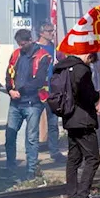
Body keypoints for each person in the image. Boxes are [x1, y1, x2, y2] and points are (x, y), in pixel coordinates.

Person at [3, 29, 52, 179]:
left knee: (31, 138)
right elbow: (8, 74)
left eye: (23, 44)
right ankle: (10, 169)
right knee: (10, 136)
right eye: (19, 44)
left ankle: (31, 170)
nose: (21, 46)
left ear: (30, 40)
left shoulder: (43, 56)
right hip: (15, 103)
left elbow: (38, 80)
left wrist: (20, 91)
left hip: (33, 102)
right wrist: (10, 89)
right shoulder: (16, 54)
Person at [53, 50, 100, 198]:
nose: (90, 63)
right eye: (91, 60)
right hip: (83, 119)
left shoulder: (62, 67)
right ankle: (83, 195)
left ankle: (71, 194)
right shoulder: (83, 70)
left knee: (74, 158)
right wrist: (97, 95)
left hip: (69, 117)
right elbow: (87, 95)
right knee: (93, 158)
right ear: (89, 56)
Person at [35, 22, 65, 162]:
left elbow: (64, 62)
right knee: (33, 123)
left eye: (53, 30)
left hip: (52, 91)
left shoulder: (55, 49)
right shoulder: (34, 48)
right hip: (37, 91)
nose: (52, 33)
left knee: (53, 123)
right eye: (49, 31)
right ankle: (33, 154)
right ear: (41, 33)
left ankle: (54, 151)